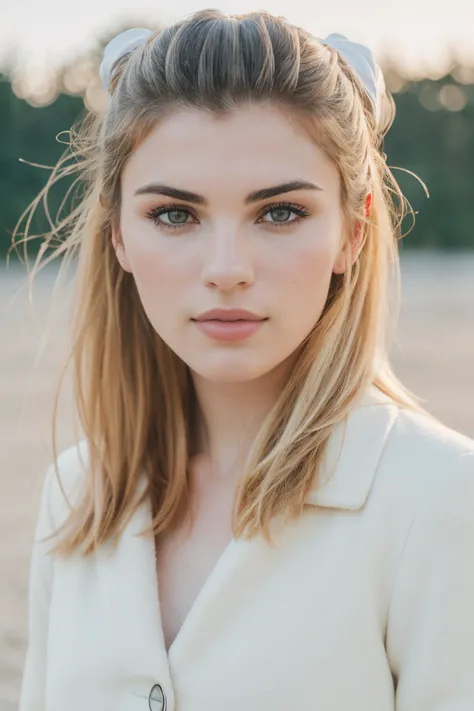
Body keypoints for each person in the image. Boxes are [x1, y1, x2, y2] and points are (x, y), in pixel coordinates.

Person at [17, 8, 474, 711]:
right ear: (118, 240)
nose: (226, 269)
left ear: (353, 234)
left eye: (280, 212)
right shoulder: (75, 494)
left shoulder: (442, 499)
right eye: (175, 214)